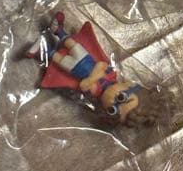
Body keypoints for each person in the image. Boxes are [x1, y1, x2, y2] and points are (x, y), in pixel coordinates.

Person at [25, 11, 155, 126]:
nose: (114, 99)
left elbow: (83, 85)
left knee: (60, 60)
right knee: (73, 45)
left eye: (113, 109)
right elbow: (101, 65)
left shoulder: (95, 92)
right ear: (128, 85)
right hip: (86, 58)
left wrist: (95, 76)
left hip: (74, 69)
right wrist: (95, 76)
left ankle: (42, 51)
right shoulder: (111, 75)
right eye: (122, 97)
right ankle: (59, 31)